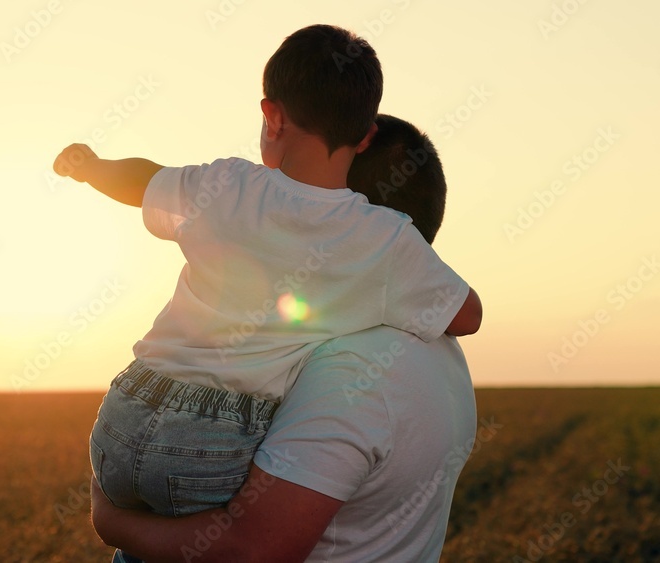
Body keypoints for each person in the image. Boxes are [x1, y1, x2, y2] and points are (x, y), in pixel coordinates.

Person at [52, 23, 481, 541]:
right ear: (366, 134)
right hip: (213, 446)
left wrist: (92, 166)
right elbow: (466, 314)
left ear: (271, 116)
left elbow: (144, 180)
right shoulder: (384, 239)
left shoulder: (226, 182)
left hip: (124, 414)